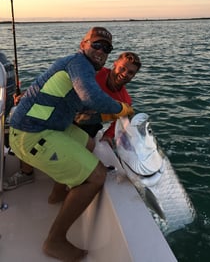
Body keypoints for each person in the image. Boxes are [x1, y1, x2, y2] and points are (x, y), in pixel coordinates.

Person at [8, 27, 134, 261]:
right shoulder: (79, 63)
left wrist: (107, 115)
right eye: (96, 45)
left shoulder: (80, 66)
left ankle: (57, 195)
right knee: (96, 176)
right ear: (83, 44)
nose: (101, 51)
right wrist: (121, 108)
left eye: (106, 48)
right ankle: (54, 241)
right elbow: (90, 96)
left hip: (48, 126)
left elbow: (79, 101)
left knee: (88, 143)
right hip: (31, 132)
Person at [4, 51, 141, 189]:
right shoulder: (92, 72)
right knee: (33, 122)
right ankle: (26, 172)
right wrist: (28, 95)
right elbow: (52, 81)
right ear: (114, 64)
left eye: (130, 72)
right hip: (65, 113)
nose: (124, 73)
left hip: (88, 124)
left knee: (85, 145)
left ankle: (69, 180)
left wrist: (109, 136)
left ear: (134, 76)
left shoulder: (126, 101)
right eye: (122, 68)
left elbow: (119, 122)